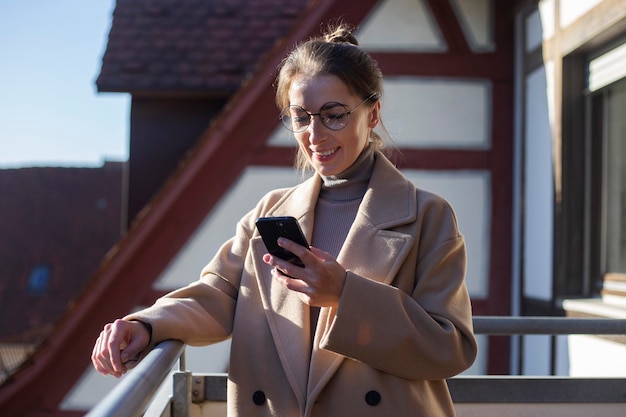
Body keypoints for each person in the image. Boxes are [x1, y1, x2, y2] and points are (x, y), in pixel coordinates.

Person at [92, 22, 477, 417]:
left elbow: (450, 347)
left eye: (334, 115)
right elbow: (219, 295)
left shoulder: (428, 216)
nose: (315, 134)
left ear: (373, 113)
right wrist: (148, 325)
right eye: (301, 117)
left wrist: (345, 295)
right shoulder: (270, 212)